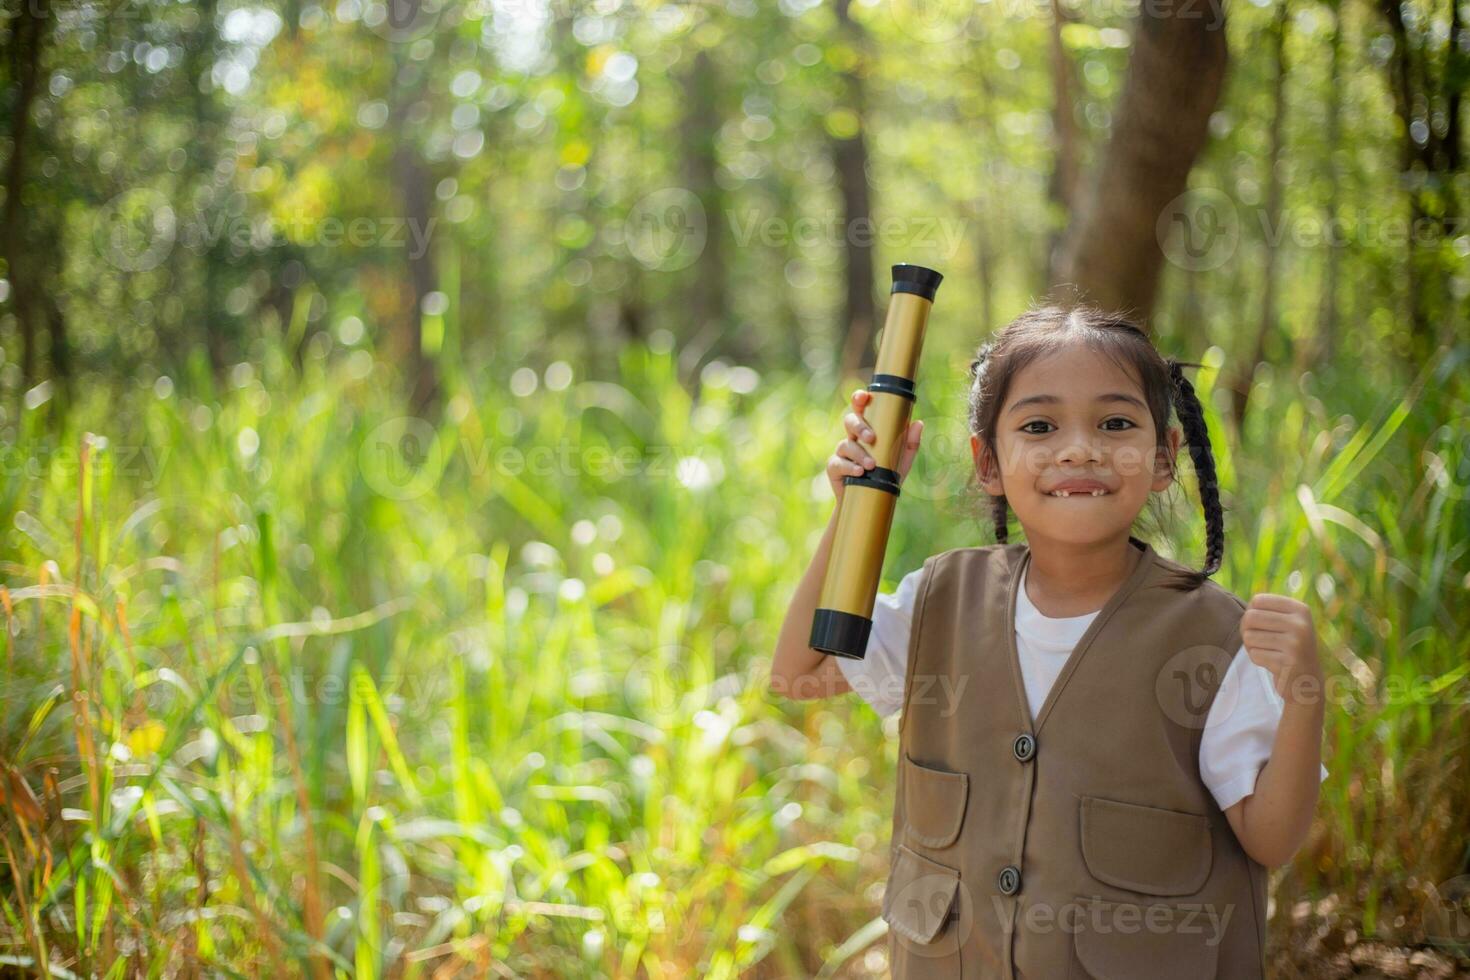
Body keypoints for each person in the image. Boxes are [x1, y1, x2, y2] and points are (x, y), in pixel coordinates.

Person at [769, 304, 1328, 978]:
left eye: (1116, 423)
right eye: (1038, 426)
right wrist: (857, 505)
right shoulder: (939, 600)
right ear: (988, 462)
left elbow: (1270, 838)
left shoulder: (1212, 637)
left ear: (1163, 457)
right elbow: (799, 672)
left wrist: (1304, 695)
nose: (1078, 449)